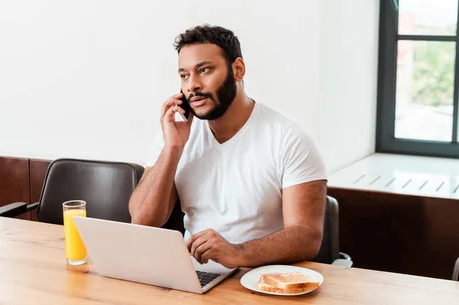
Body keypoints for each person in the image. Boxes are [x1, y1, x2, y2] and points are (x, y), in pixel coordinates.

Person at [128, 25, 327, 269]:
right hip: (196, 274)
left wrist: (238, 253)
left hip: (263, 277)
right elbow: (141, 220)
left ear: (238, 70)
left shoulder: (290, 137)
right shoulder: (175, 136)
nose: (192, 85)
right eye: (184, 75)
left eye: (204, 70)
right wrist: (172, 149)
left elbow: (307, 237)